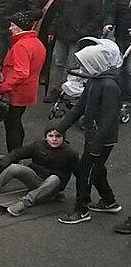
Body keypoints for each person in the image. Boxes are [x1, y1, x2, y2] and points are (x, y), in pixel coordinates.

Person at [57, 38, 123, 225]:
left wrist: (96, 143)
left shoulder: (109, 86)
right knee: (97, 169)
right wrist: (60, 127)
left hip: (101, 139)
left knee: (84, 171)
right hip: (95, 136)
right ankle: (109, 201)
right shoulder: (95, 81)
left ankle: (82, 208)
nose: (82, 68)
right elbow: (80, 107)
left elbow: (109, 120)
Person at [0, 127, 79, 217]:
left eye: (58, 136)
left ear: (63, 138)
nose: (54, 139)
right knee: (14, 167)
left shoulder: (70, 153)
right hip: (36, 180)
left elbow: (80, 173)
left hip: (53, 186)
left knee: (54, 178)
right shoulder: (38, 145)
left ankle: (24, 203)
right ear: (46, 137)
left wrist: (82, 199)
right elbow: (17, 153)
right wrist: (2, 166)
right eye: (51, 136)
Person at [45, 0, 103, 102]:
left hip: (78, 38)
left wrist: (82, 32)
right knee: (57, 62)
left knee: (72, 66)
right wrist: (53, 30)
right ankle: (55, 90)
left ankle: (68, 92)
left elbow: (97, 19)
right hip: (63, 34)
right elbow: (59, 14)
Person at [0, 12, 46, 152]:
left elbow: (21, 72)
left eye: (13, 25)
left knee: (12, 125)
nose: (10, 28)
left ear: (20, 27)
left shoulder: (21, 46)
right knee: (16, 122)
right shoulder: (37, 43)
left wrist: (3, 87)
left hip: (17, 93)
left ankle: (13, 157)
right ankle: (17, 154)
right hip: (28, 91)